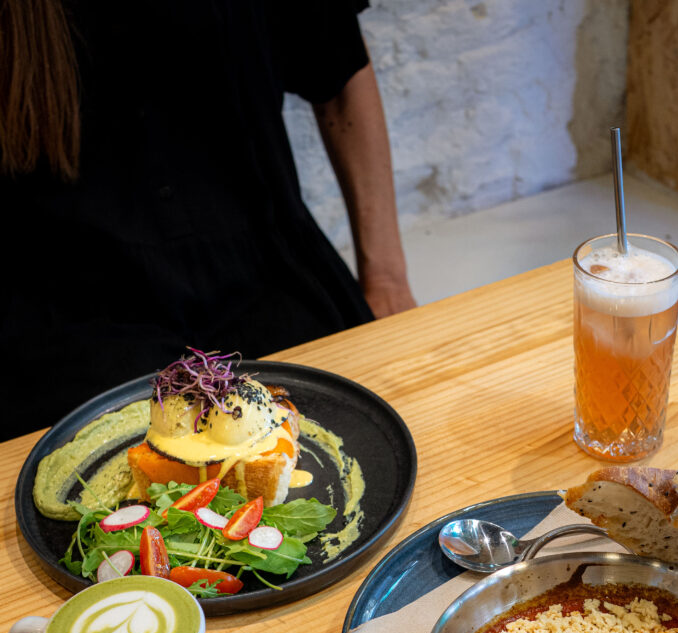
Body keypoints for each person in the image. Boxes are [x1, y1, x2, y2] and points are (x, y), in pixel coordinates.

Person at [0, 0, 415, 438]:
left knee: (371, 448)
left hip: (271, 276)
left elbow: (339, 71)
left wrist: (387, 279)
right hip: (64, 313)